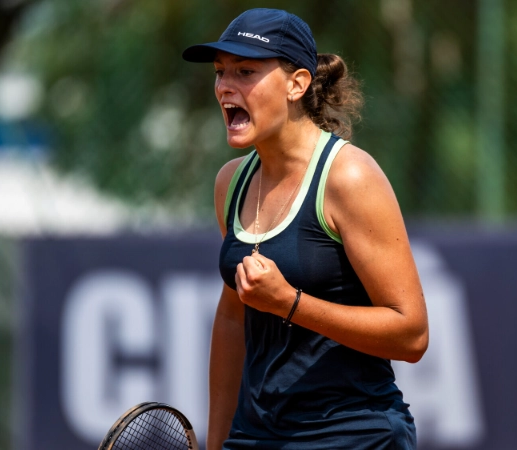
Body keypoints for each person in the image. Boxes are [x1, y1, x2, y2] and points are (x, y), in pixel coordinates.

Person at [182, 8, 428, 449]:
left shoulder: (349, 177)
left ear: (297, 84)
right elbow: (232, 317)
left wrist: (290, 303)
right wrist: (217, 443)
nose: (224, 86)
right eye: (220, 72)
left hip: (354, 435)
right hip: (256, 437)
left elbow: (411, 334)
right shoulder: (231, 182)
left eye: (245, 70)